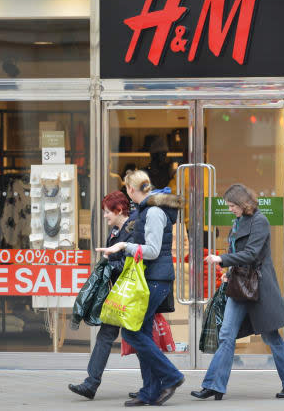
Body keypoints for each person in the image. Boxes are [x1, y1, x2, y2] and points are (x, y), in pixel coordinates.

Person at [191, 184, 284, 400]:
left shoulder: (260, 221)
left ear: (243, 203)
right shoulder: (239, 221)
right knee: (226, 335)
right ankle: (214, 385)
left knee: (271, 337)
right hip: (240, 285)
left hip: (258, 287)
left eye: (233, 205)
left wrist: (222, 260)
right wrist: (229, 272)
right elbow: (237, 251)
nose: (230, 209)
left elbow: (251, 253)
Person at [96, 170, 185, 407]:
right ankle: (150, 392)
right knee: (142, 332)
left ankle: (172, 376)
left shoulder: (154, 211)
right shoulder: (149, 209)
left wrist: (123, 246)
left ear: (131, 190)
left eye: (127, 190)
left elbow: (153, 250)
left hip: (155, 278)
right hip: (152, 278)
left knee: (131, 332)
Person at [68, 191, 135, 399]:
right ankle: (91, 383)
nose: (105, 216)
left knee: (139, 339)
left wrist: (109, 263)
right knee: (107, 335)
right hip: (118, 292)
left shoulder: (133, 231)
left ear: (119, 210)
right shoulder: (116, 231)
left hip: (131, 293)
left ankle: (163, 379)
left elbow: (131, 263)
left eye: (108, 212)